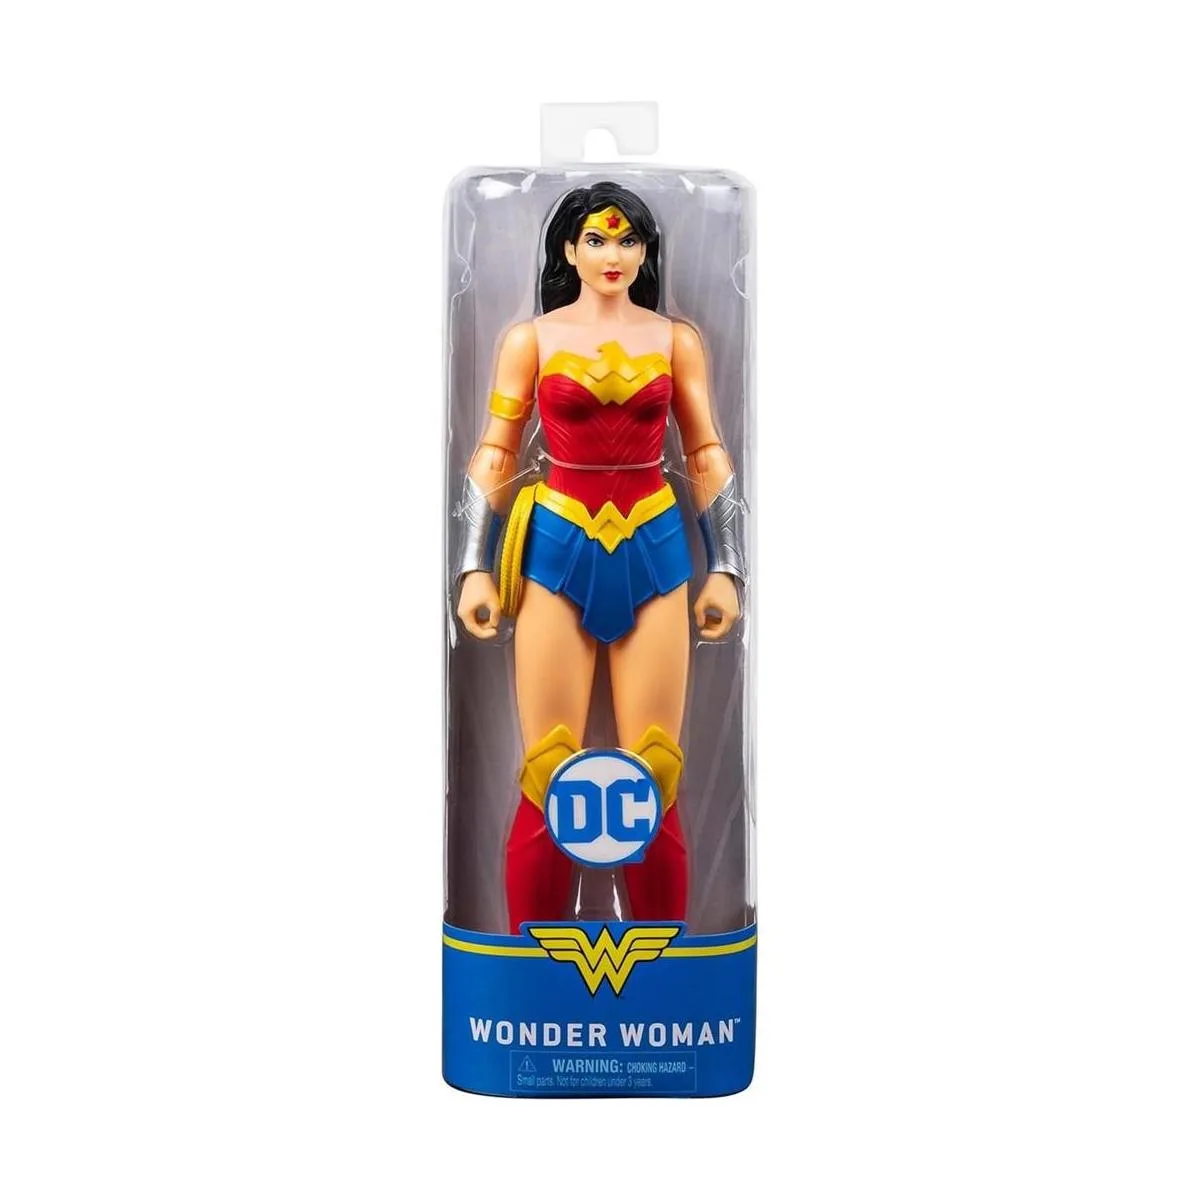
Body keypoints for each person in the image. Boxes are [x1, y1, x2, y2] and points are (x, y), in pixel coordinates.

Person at [453, 181, 748, 934]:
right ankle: (527, 962)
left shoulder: (675, 340)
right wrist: (473, 564)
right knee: (548, 768)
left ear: (646, 251)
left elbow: (706, 451)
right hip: (556, 550)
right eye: (596, 239)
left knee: (656, 769)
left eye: (627, 239)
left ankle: (665, 962)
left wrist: (727, 567)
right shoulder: (532, 340)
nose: (612, 254)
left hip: (653, 549)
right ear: (568, 249)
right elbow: (496, 452)